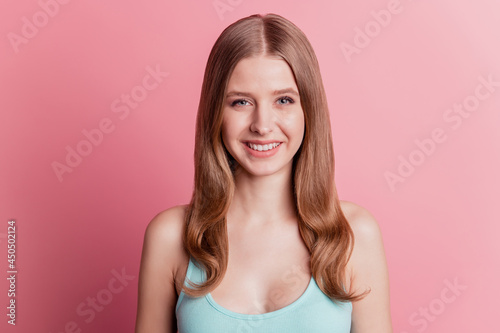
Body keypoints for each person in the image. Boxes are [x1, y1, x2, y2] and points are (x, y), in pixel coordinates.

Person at [135, 13, 392, 333]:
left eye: (284, 100)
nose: (262, 125)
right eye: (241, 102)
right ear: (216, 111)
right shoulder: (171, 236)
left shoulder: (354, 235)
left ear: (308, 110)